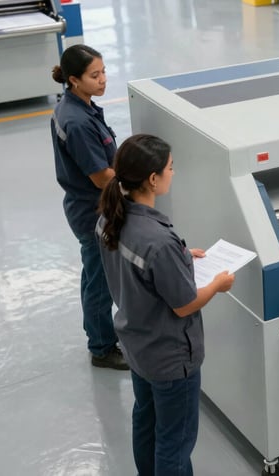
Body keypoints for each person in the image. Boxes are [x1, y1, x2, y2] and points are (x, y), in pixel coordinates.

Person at [96, 134, 235, 476]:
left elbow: (136, 267)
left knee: (147, 419)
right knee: (175, 443)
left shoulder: (108, 218)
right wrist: (217, 285)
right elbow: (185, 306)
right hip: (171, 358)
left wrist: (182, 257)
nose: (174, 173)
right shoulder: (158, 240)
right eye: (171, 168)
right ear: (153, 179)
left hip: (138, 345)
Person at [50, 44, 127, 370]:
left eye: (104, 72)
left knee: (96, 274)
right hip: (92, 210)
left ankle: (101, 337)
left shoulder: (81, 106)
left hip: (90, 205)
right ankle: (101, 348)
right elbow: (100, 177)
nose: (103, 80)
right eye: (94, 76)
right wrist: (136, 184)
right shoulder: (77, 121)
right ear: (73, 79)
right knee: (100, 281)